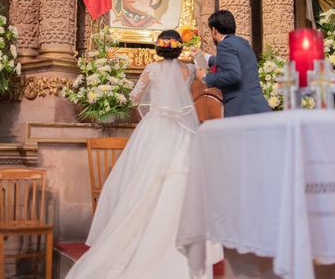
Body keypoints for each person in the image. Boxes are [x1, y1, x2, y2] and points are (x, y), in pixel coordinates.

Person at [66, 30, 221, 279]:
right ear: (178, 48)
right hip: (183, 133)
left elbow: (134, 97)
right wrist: (200, 54)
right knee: (180, 185)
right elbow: (205, 79)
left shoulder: (151, 70)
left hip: (155, 130)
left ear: (159, 48)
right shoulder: (189, 70)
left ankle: (139, 242)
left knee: (142, 185)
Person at [195, 10, 271, 117]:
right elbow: (230, 62)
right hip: (256, 107)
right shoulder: (242, 42)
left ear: (214, 30)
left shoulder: (224, 45)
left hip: (241, 110)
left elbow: (234, 75)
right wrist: (204, 56)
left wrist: (205, 77)